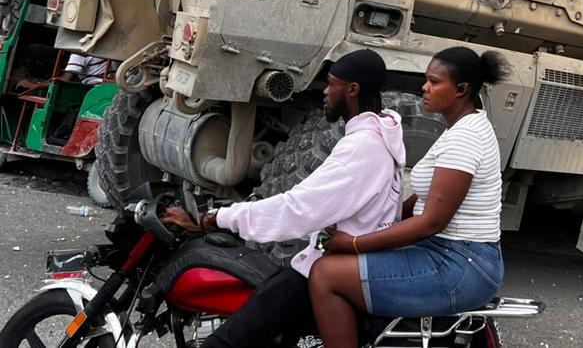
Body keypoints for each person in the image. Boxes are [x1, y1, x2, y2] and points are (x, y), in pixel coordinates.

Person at [161, 49, 405, 348]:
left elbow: (299, 208)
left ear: (352, 90)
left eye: (332, 84)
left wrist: (217, 219)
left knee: (225, 342)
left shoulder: (363, 147)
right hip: (344, 266)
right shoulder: (383, 134)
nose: (325, 93)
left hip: (331, 272)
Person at [308, 46, 507, 348]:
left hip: (460, 266)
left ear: (462, 90)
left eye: (434, 82)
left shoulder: (466, 139)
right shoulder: (465, 126)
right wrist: (380, 222)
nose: (424, 88)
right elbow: (425, 198)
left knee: (325, 276)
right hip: (453, 254)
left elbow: (431, 222)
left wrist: (354, 243)